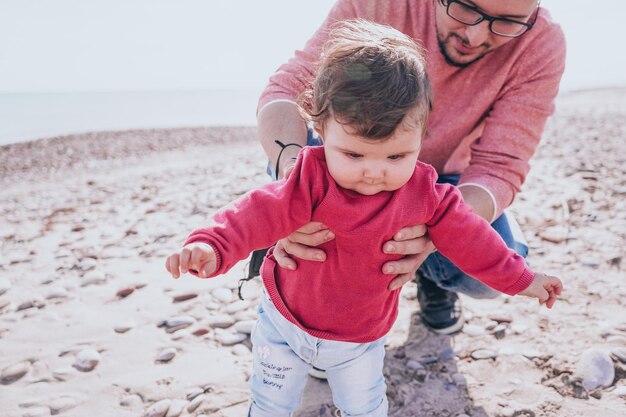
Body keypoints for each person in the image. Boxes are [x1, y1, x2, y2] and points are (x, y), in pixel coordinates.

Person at [166, 20, 563, 417]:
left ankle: (433, 293)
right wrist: (210, 246)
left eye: (396, 156)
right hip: (284, 325)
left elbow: (478, 244)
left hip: (359, 342)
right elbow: (250, 215)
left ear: (422, 136)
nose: (374, 172)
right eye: (354, 155)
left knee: (367, 407)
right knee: (270, 405)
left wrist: (524, 279)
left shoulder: (428, 196)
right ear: (319, 130)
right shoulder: (308, 179)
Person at [253, 0, 566, 336]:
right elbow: (290, 87)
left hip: (444, 183)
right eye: (466, 8)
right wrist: (292, 182)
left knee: (495, 264)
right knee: (311, 179)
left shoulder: (540, 41)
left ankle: (433, 280)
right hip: (345, 160)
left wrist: (437, 234)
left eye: (506, 22)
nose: (475, 36)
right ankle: (314, 297)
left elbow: (500, 167)